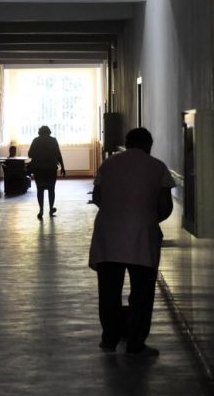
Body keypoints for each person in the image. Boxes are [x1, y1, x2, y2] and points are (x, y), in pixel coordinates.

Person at [88, 127, 175, 357]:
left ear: (126, 144)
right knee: (142, 293)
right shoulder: (158, 167)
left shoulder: (108, 165)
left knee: (109, 292)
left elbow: (97, 197)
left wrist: (117, 212)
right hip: (142, 236)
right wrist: (146, 217)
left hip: (108, 234)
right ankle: (136, 344)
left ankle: (109, 339)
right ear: (148, 145)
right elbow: (165, 206)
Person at [28, 125, 66, 220]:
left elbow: (30, 154)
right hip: (51, 169)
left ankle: (41, 210)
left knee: (40, 190)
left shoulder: (36, 141)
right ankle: (51, 209)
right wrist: (62, 167)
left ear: (39, 132)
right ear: (49, 132)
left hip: (39, 169)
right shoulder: (53, 141)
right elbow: (58, 155)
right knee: (51, 189)